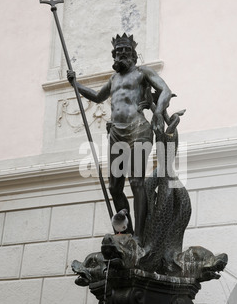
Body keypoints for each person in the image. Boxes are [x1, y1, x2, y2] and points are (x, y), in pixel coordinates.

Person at [67, 33, 172, 244]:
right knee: (114, 187)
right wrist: (75, 84)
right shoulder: (114, 79)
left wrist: (159, 112)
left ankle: (140, 237)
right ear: (113, 55)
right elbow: (98, 97)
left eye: (126, 52)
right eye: (118, 52)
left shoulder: (143, 73)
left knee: (135, 181)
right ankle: (127, 232)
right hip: (116, 132)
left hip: (138, 130)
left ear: (133, 55)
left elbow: (165, 90)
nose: (121, 56)